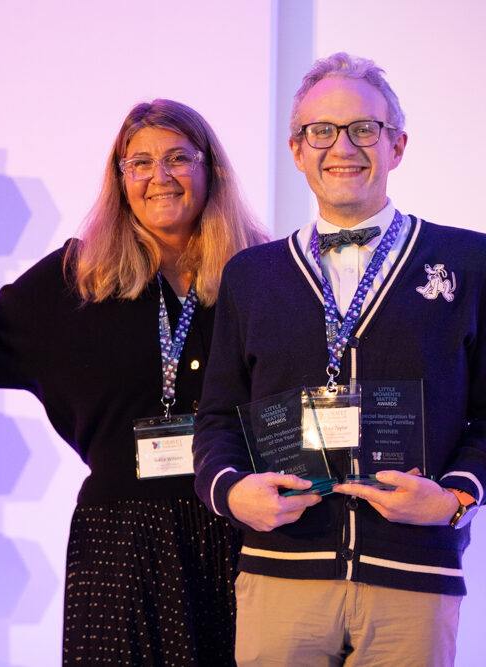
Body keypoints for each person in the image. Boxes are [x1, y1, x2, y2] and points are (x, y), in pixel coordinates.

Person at [0, 99, 267, 664]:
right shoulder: (78, 277)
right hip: (119, 544)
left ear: (209, 169)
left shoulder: (260, 275)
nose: (158, 177)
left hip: (238, 532)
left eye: (177, 158)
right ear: (120, 178)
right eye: (138, 163)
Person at [194, 52, 486, 666]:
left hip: (414, 574)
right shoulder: (252, 275)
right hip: (281, 572)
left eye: (363, 129)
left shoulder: (467, 262)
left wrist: (455, 498)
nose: (342, 147)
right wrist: (231, 492)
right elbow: (218, 416)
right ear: (297, 150)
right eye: (320, 131)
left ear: (397, 144)